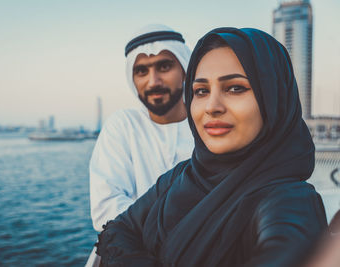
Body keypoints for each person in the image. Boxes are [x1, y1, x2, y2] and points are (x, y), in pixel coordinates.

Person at [95, 27, 328, 266]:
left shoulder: (289, 202)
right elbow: (117, 229)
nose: (211, 106)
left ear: (273, 97)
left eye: (235, 88)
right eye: (201, 91)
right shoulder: (183, 175)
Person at [85, 24, 193, 266]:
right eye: (141, 71)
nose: (153, 81)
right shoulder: (123, 125)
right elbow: (106, 210)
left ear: (185, 69)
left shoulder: (208, 123)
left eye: (164, 67)